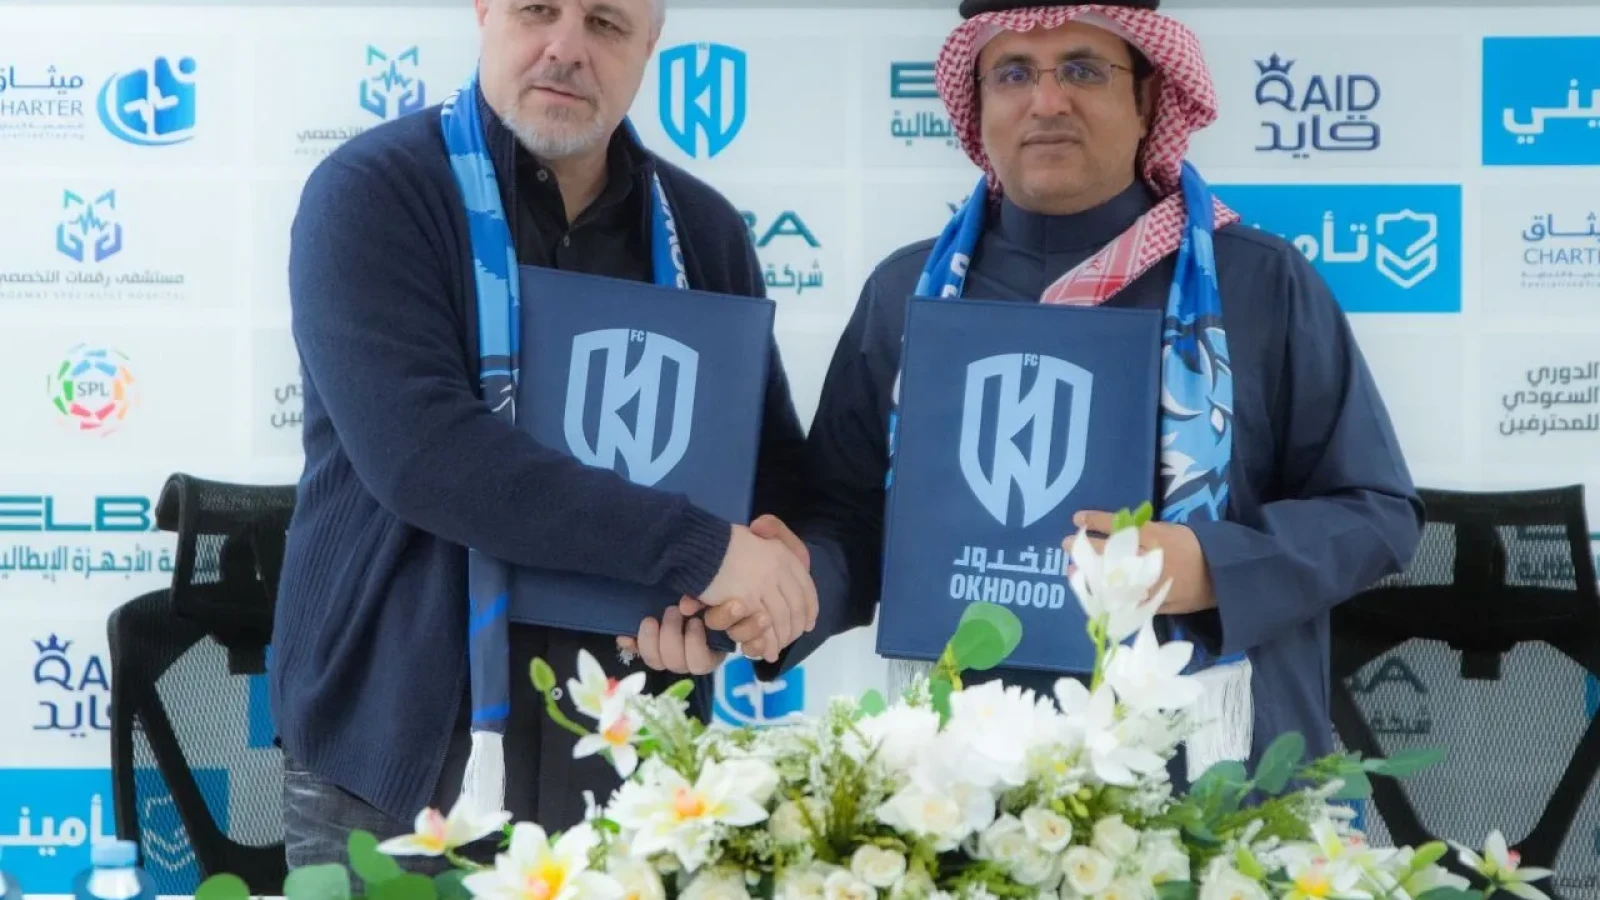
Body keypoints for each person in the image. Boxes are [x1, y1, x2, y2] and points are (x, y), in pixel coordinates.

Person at [769, 0, 1424, 779]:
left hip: (1202, 774)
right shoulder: (907, 292)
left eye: (1082, 69)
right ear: (978, 104)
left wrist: (1211, 565)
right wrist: (782, 594)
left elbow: (1375, 512)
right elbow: (849, 520)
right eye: (1013, 73)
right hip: (961, 777)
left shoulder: (1258, 282)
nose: (1047, 101)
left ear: (1147, 99)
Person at [271, 0, 817, 872]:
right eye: (538, 10)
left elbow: (769, 475)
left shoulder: (702, 231)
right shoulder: (374, 192)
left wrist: (731, 605)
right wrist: (699, 551)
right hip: (396, 765)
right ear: (485, 11)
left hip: (632, 764)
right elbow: (426, 457)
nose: (566, 47)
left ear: (650, 43)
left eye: (605, 22)